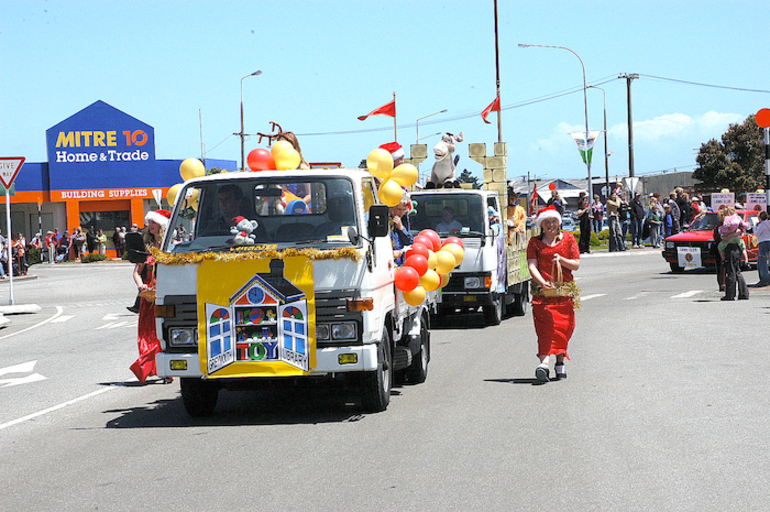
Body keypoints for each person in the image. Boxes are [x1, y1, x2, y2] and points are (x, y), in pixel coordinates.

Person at [526, 205, 580, 383]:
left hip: (564, 295)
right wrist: (542, 282)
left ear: (559, 223)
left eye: (554, 221)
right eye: (547, 222)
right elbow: (532, 265)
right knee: (545, 329)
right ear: (541, 225)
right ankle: (544, 364)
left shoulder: (569, 239)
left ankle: (560, 363)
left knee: (563, 330)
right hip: (543, 295)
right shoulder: (534, 243)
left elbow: (576, 264)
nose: (551, 225)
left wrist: (561, 259)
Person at [130, 209, 173, 384]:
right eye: (149, 223)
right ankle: (151, 367)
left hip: (166, 295)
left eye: (153, 223)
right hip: (148, 297)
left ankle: (163, 367)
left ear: (161, 225)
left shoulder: (171, 247)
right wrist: (141, 286)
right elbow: (136, 273)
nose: (150, 226)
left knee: (163, 331)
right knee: (147, 333)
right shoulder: (145, 249)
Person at [718, 213, 749, 301]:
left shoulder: (728, 224)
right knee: (737, 271)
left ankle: (730, 295)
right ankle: (743, 294)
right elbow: (740, 231)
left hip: (730, 249)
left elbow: (722, 236)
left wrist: (726, 236)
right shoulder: (736, 223)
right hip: (737, 248)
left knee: (731, 272)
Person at [389, 192, 414, 266]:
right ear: (391, 208)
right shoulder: (385, 221)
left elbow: (410, 241)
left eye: (404, 210)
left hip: (401, 262)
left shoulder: (403, 219)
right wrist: (391, 253)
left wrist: (401, 227)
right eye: (399, 209)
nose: (401, 212)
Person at [752, 211, 770, 287]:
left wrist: (755, 227)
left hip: (763, 242)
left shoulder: (762, 224)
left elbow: (756, 234)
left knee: (762, 262)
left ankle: (764, 280)